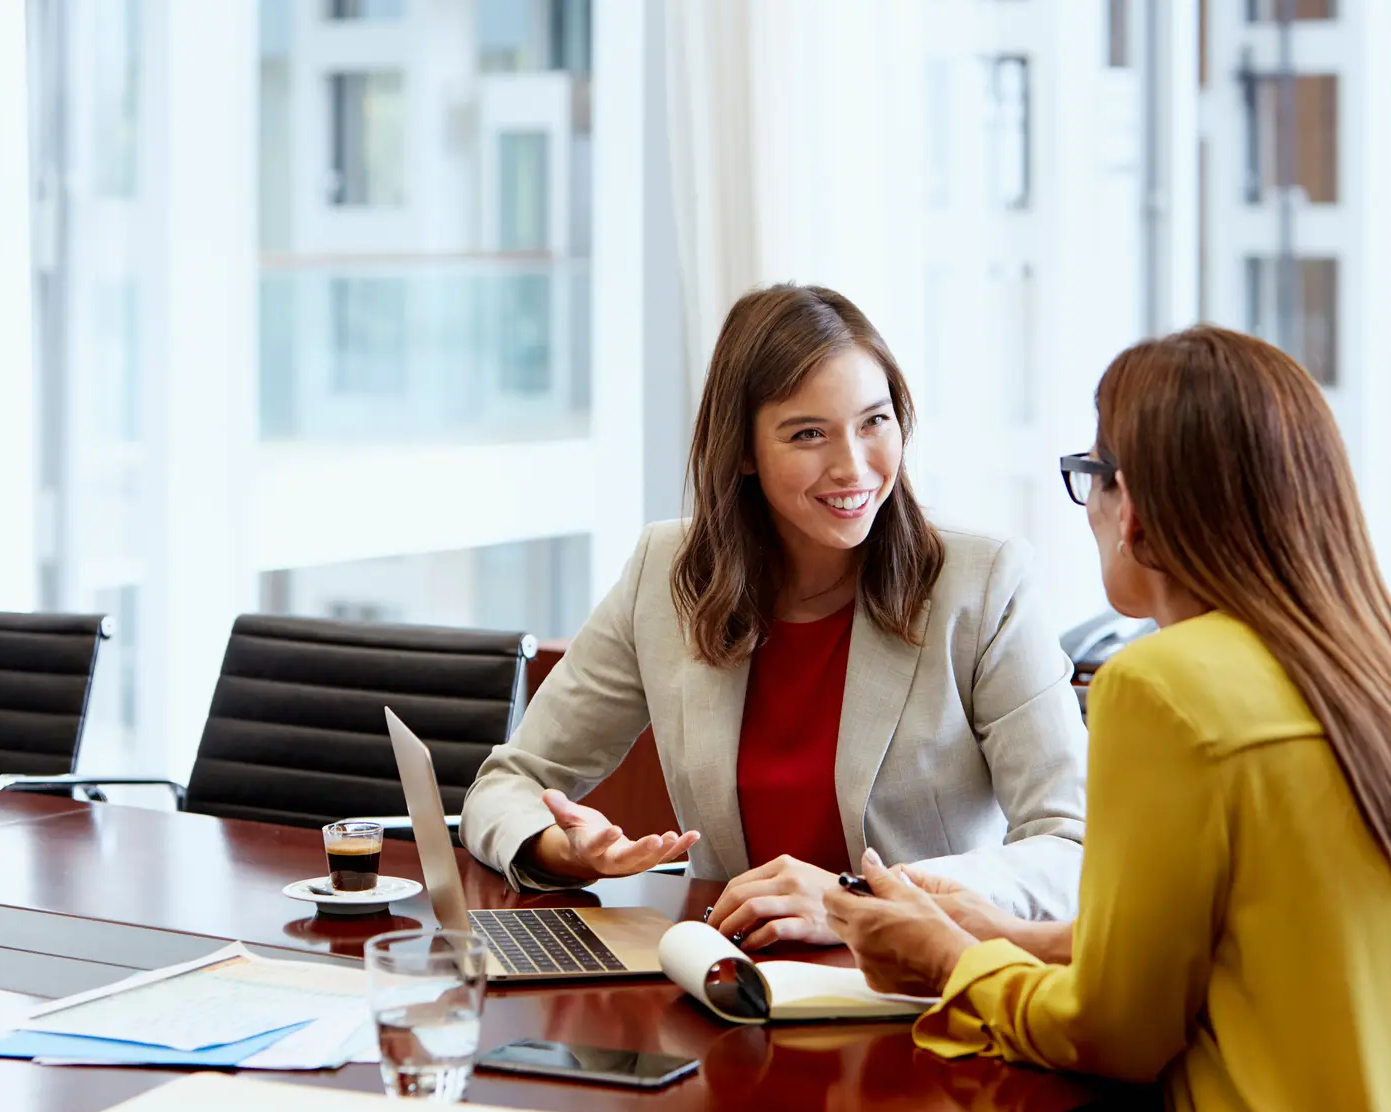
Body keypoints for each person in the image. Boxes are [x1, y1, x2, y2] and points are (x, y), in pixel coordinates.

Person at [826, 325, 1391, 1112]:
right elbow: (1242, 948)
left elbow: (1114, 1032)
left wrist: (943, 961)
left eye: (1090, 480)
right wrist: (996, 932)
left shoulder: (1160, 686)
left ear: (1135, 510)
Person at [461, 283, 1089, 949]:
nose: (853, 465)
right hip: (730, 988)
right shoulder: (665, 572)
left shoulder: (983, 582)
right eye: (808, 433)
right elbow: (508, 783)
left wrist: (852, 902)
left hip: (916, 993)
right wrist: (563, 848)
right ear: (741, 452)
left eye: (874, 421)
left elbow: (1070, 848)